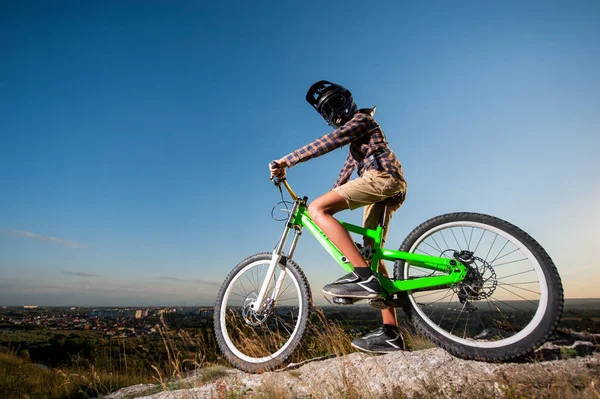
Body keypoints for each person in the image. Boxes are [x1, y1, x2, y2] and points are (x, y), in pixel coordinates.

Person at [269, 80, 408, 353]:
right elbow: (343, 180)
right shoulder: (355, 143)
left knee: (317, 210)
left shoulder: (362, 120)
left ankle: (361, 277)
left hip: (381, 179)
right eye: (327, 110)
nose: (334, 113)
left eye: (335, 104)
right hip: (386, 187)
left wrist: (287, 160)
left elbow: (327, 142)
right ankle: (391, 332)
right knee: (372, 255)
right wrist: (328, 195)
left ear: (347, 101)